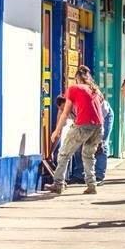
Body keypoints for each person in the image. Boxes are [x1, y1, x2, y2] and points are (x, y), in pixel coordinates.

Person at [50, 66, 104, 195]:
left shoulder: (73, 88)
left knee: (64, 153)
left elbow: (65, 112)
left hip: (82, 125)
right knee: (88, 155)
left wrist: (56, 131)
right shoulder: (95, 90)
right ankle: (92, 185)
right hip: (98, 126)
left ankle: (58, 184)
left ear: (76, 78)